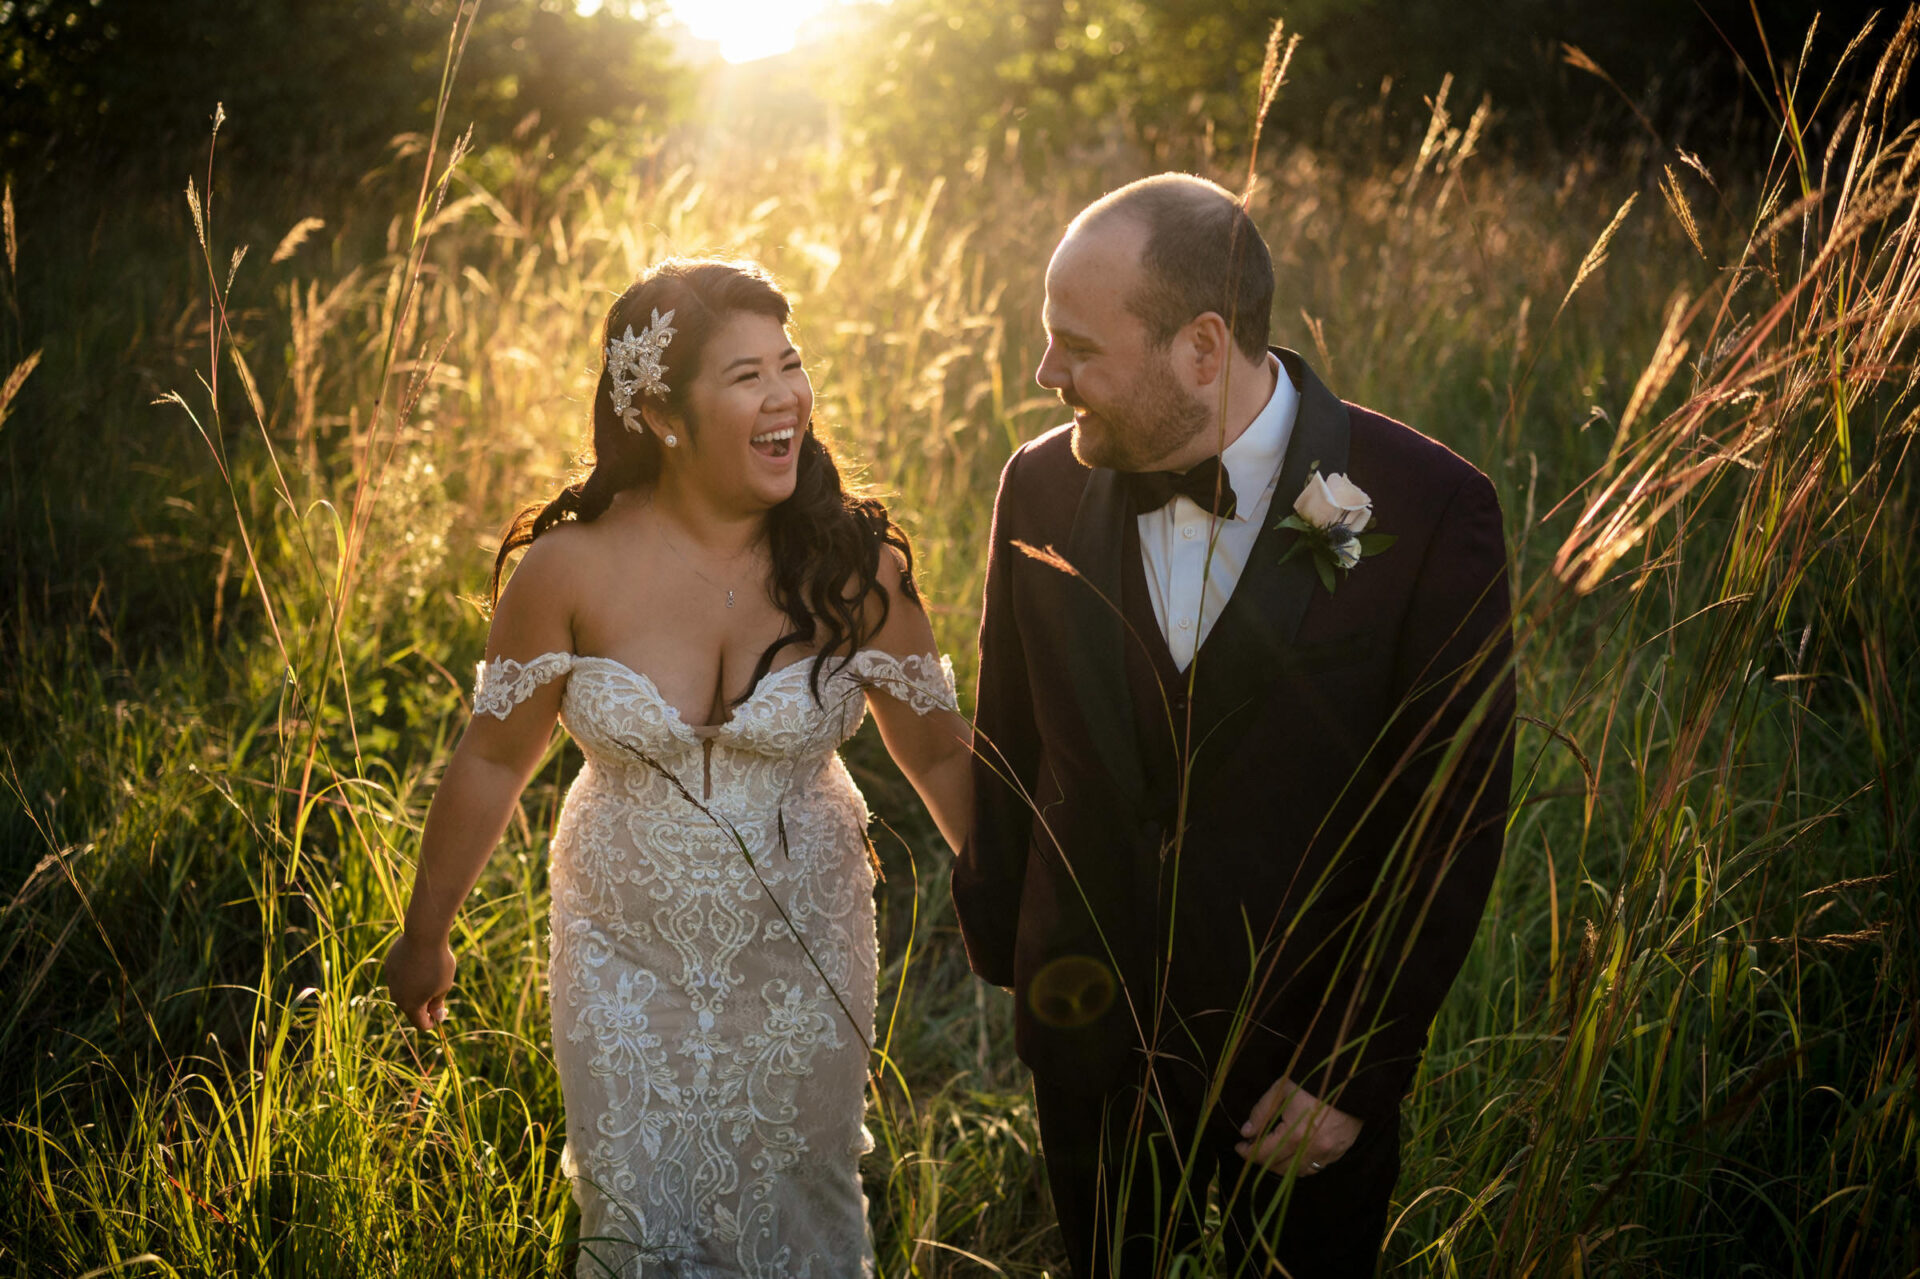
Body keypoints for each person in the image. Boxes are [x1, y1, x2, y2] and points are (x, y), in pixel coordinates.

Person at [954, 174, 1515, 1277]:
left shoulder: (1425, 506)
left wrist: (1353, 1065)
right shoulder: (1036, 488)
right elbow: (1010, 734)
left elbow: (1450, 817)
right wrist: (1020, 964)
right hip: (1091, 1047)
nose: (1044, 375)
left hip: (1300, 1077)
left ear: (1202, 349)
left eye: (1075, 346)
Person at [384, 258, 973, 1278]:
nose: (786, 394)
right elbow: (490, 759)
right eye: (747, 375)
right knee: (635, 1209)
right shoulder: (569, 568)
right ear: (659, 411)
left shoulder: (854, 567)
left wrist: (1028, 909)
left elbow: (941, 754)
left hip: (805, 953)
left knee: (802, 1198)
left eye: (791, 364)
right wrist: (425, 934)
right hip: (623, 955)